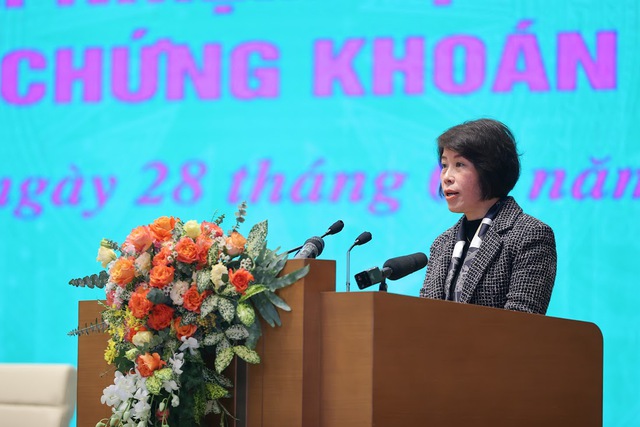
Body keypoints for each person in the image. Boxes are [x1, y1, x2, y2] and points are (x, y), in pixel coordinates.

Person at [419, 118, 556, 315]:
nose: (447, 176)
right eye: (444, 165)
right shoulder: (442, 244)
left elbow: (523, 322)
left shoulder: (530, 235)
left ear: (489, 169)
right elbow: (424, 317)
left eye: (459, 164)